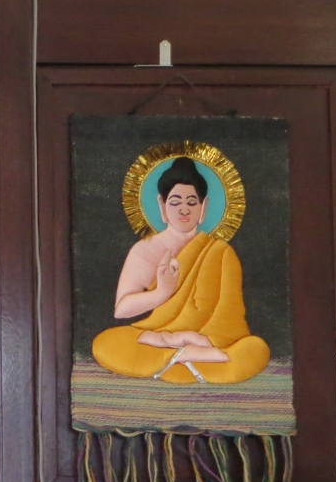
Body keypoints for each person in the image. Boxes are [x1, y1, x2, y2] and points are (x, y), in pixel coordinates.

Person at [91, 156, 269, 385]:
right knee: (107, 343)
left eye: (192, 203)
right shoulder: (145, 250)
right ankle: (186, 357)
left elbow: (230, 317)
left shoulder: (221, 252)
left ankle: (180, 357)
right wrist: (162, 292)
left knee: (256, 348)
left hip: (207, 340)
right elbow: (122, 310)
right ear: (162, 205)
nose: (184, 210)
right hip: (159, 337)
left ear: (204, 207)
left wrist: (203, 339)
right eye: (175, 203)